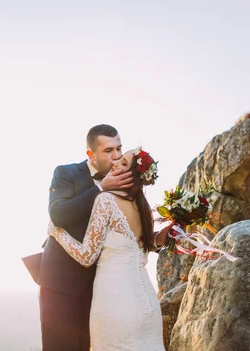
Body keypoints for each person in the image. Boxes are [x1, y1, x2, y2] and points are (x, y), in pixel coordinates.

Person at [38, 124, 171, 351]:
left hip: (106, 288)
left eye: (119, 148)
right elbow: (57, 214)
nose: (116, 156)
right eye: (109, 151)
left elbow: (127, 233)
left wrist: (159, 239)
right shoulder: (66, 173)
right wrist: (100, 187)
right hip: (63, 285)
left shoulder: (127, 189)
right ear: (92, 154)